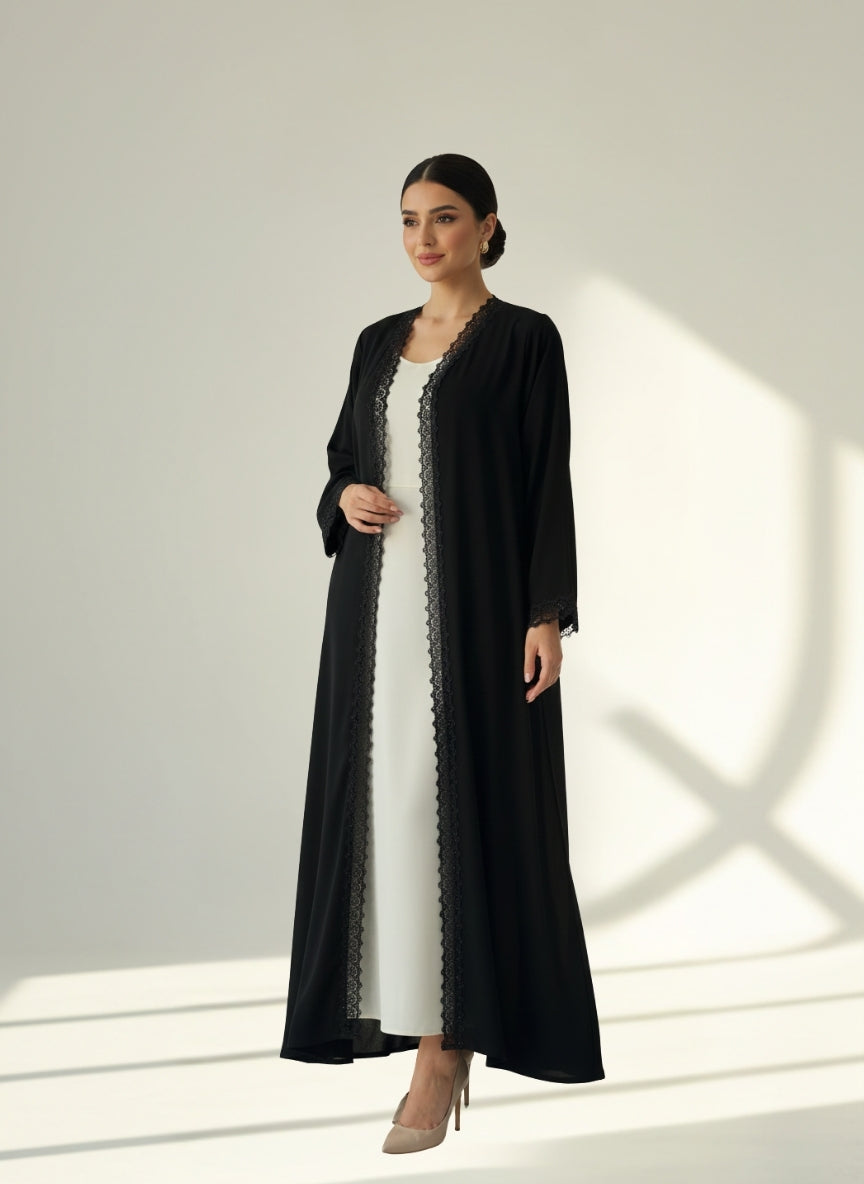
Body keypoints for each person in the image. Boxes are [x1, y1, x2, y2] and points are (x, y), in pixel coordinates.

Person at [280, 153, 605, 1154]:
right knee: (386, 812)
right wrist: (344, 495)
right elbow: (344, 457)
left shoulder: (524, 340)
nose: (424, 238)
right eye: (410, 219)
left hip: (474, 613)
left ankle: (446, 1047)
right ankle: (414, 1021)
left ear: (488, 226)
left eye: (446, 217)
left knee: (457, 808)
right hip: (372, 616)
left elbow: (547, 477)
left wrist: (545, 611)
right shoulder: (378, 341)